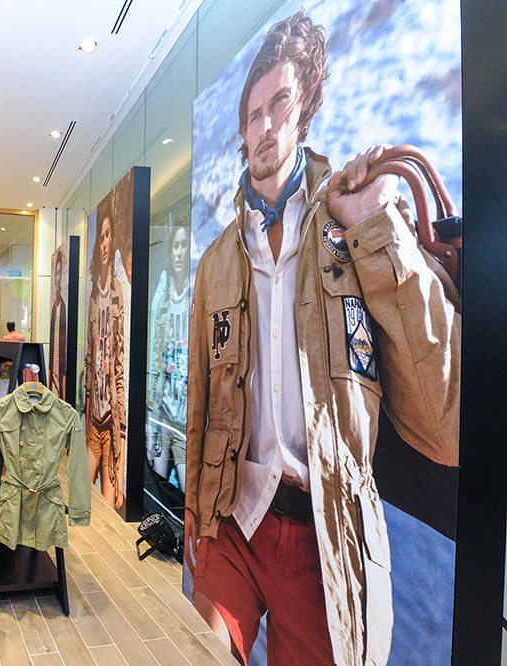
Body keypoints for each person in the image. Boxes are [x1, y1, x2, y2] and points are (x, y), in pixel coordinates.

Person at [184, 10, 460, 666]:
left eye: (279, 103)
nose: (264, 125)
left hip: (326, 535)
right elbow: (202, 395)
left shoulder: (353, 223)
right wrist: (196, 506)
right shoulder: (217, 261)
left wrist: (374, 226)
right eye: (252, 114)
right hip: (235, 519)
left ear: (305, 104)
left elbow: (447, 424)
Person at [85, 200, 127, 510]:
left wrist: (121, 464)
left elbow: (120, 368)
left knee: (109, 512)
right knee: (84, 503)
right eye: (100, 237)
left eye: (108, 235)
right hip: (92, 423)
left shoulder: (118, 292)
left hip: (111, 423)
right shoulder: (91, 297)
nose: (104, 243)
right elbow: (90, 362)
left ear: (113, 241)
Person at [146, 226, 190, 489]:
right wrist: (151, 427)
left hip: (186, 420)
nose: (179, 252)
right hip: (163, 415)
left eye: (184, 245)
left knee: (185, 492)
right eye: (175, 245)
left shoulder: (195, 296)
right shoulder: (162, 300)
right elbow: (155, 361)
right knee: (158, 488)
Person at [48, 250, 67, 398]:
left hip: (59, 372)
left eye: (60, 273)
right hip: (52, 371)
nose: (58, 277)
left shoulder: (63, 306)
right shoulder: (53, 307)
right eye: (57, 273)